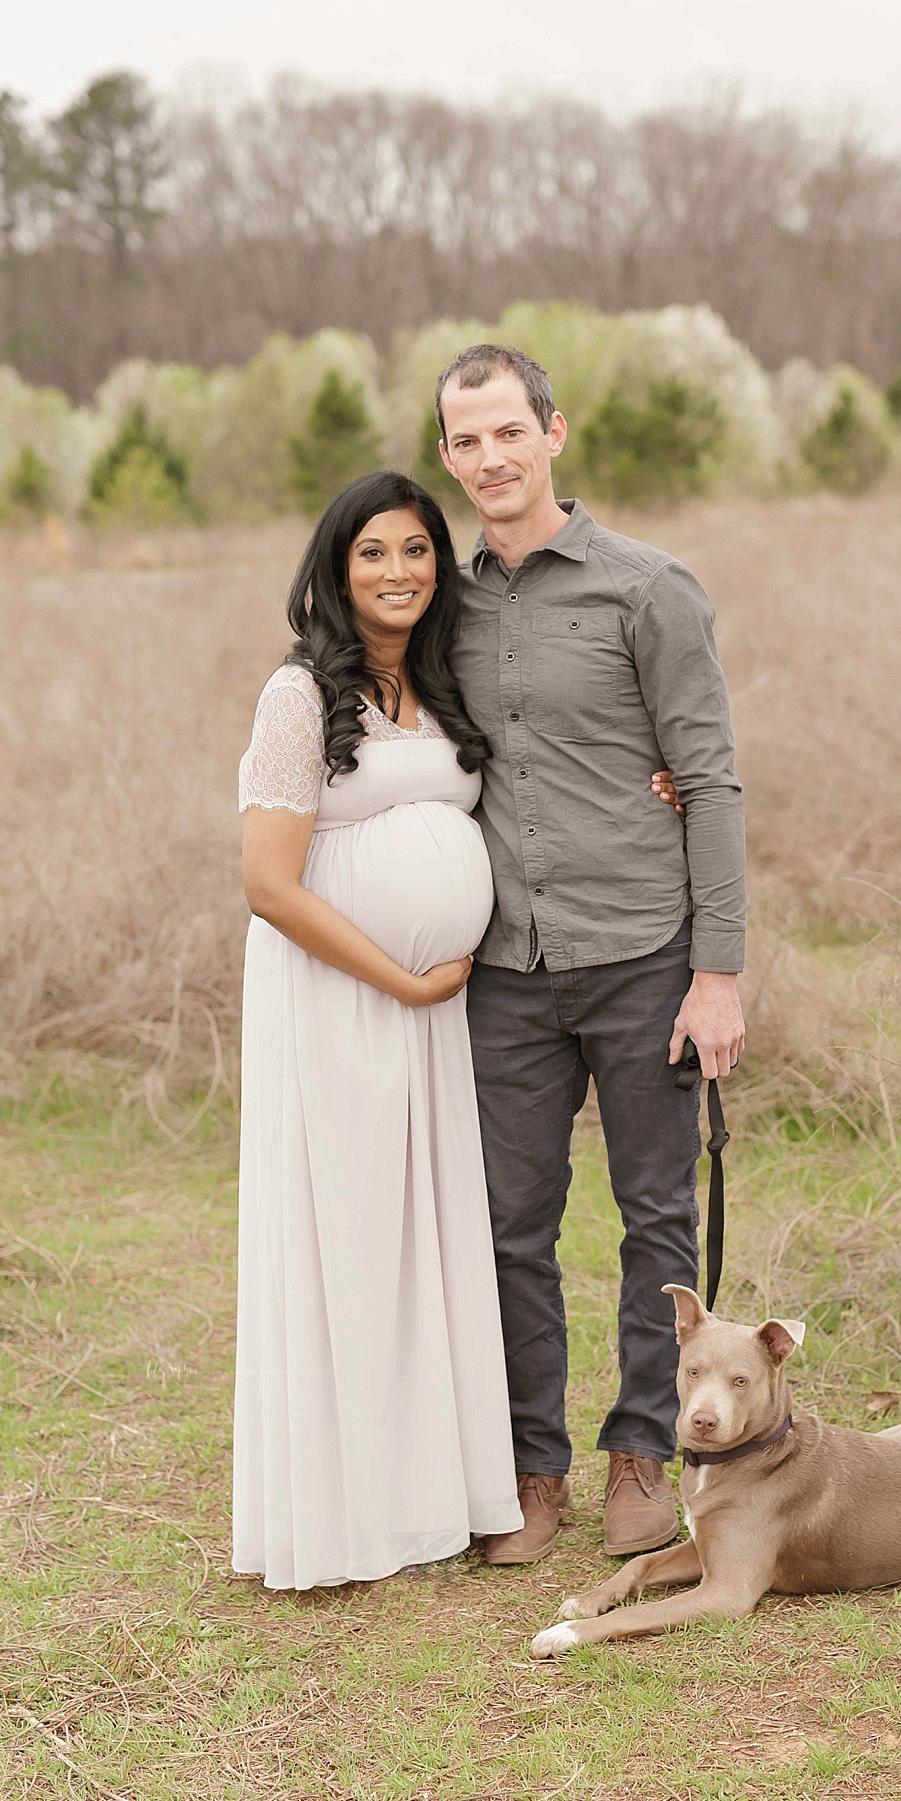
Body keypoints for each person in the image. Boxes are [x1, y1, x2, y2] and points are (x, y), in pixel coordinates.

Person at [436, 342, 748, 1565]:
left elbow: (710, 779)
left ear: (552, 433)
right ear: (451, 456)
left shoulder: (649, 590)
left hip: (640, 955)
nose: (489, 458)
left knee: (654, 1217)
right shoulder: (442, 606)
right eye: (465, 440)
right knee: (511, 1224)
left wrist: (715, 970)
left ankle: (640, 1452)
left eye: (508, 431)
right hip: (502, 967)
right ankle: (531, 1469)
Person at [231, 471, 523, 1590]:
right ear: (334, 568)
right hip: (338, 1003)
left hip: (428, 1021)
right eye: (373, 554)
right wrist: (400, 982)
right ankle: (345, 1514)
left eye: (417, 551)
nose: (399, 572)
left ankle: (430, 1498)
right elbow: (269, 884)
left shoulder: (443, 687)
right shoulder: (301, 697)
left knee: (425, 1244)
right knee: (348, 1237)